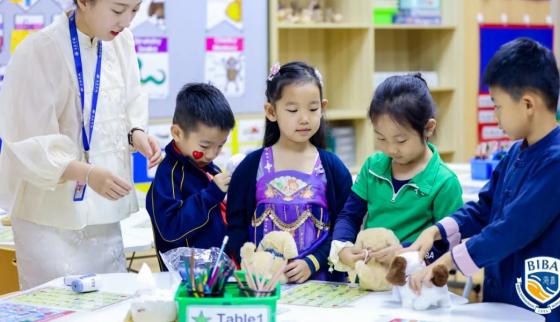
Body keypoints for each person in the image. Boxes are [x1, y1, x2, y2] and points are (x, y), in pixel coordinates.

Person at [0, 0, 162, 289]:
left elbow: (130, 99)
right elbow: (28, 143)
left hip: (103, 211)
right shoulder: (40, 50)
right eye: (118, 10)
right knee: (57, 307)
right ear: (83, 0)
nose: (126, 21)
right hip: (49, 219)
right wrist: (87, 173)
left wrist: (136, 135)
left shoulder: (121, 42)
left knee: (110, 302)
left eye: (134, 10)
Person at [408, 38, 560, 322]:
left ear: (527, 104)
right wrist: (435, 232)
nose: (496, 117)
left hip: (538, 302)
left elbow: (512, 229)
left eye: (497, 106)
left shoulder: (558, 160)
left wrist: (448, 261)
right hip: (504, 296)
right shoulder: (515, 153)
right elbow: (484, 207)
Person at [227, 62, 352, 283]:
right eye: (293, 110)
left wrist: (313, 261)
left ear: (323, 107)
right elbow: (236, 227)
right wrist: (252, 263)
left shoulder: (332, 167)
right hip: (264, 286)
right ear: (271, 111)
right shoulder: (251, 166)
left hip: (322, 285)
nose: (304, 118)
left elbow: (346, 225)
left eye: (313, 109)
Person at [329, 74, 463, 274]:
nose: (391, 149)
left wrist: (406, 254)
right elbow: (349, 215)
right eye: (381, 138)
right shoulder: (372, 167)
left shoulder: (444, 182)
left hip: (415, 285)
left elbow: (448, 245)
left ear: (428, 128)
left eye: (400, 141)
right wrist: (342, 246)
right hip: (370, 280)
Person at [146, 83, 235, 270]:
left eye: (220, 146)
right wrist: (211, 194)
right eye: (204, 146)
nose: (212, 154)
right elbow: (170, 229)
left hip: (218, 273)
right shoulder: (167, 176)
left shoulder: (210, 168)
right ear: (177, 133)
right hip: (187, 281)